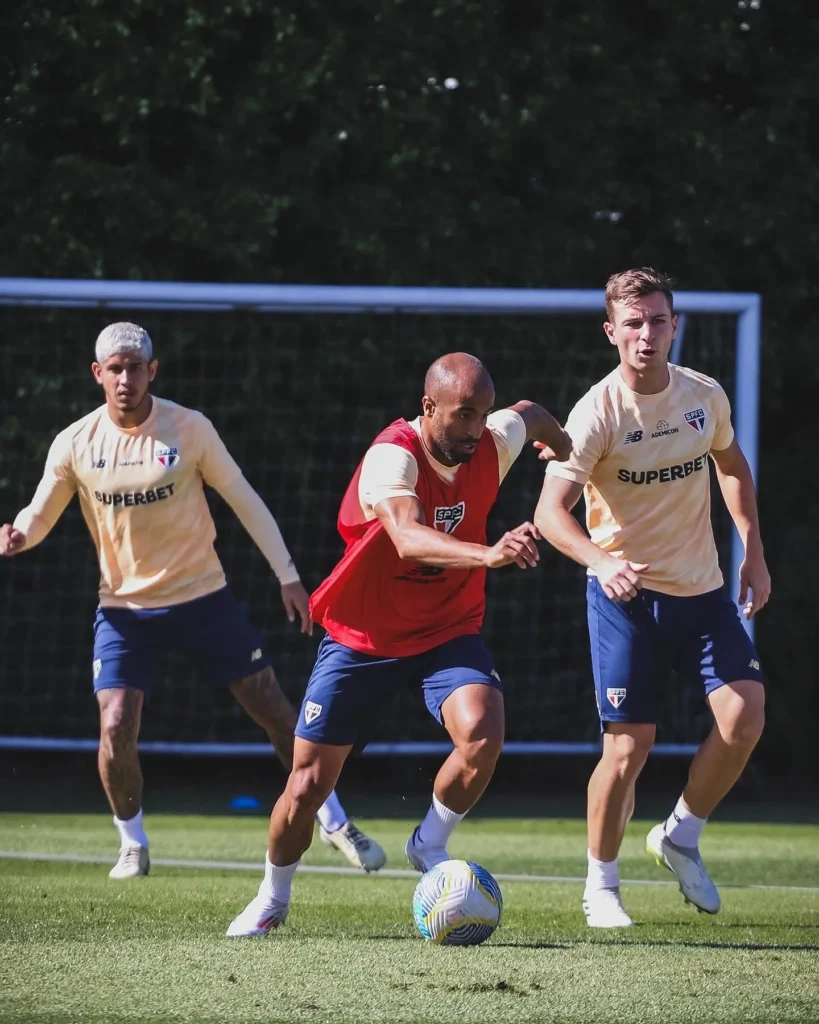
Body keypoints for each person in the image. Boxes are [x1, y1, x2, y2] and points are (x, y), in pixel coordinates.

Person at [0, 322, 385, 878]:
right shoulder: (75, 443)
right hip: (124, 611)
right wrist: (18, 535)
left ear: (152, 371)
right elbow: (39, 514)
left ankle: (332, 819)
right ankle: (131, 841)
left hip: (204, 598)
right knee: (114, 726)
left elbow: (244, 500)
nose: (126, 378)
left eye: (136, 367)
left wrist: (288, 576)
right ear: (97, 375)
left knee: (277, 712)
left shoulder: (189, 429)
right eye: (115, 368)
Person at [226, 351, 572, 937]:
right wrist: (488, 554)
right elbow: (409, 538)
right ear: (427, 407)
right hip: (365, 634)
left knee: (484, 732)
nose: (474, 430)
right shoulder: (392, 456)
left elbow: (531, 413)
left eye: (483, 415)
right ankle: (272, 897)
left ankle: (428, 843)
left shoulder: (492, 438)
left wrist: (564, 447)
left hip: (447, 628)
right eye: (463, 416)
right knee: (307, 784)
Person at [534, 268, 769, 928]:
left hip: (702, 593)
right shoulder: (596, 413)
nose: (646, 333)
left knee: (744, 716)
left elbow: (728, 461)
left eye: (657, 320)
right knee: (627, 748)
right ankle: (600, 886)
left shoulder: (701, 395)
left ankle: (679, 835)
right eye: (632, 323)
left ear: (673, 325)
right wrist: (600, 559)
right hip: (624, 599)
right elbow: (551, 512)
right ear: (611, 332)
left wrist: (751, 547)